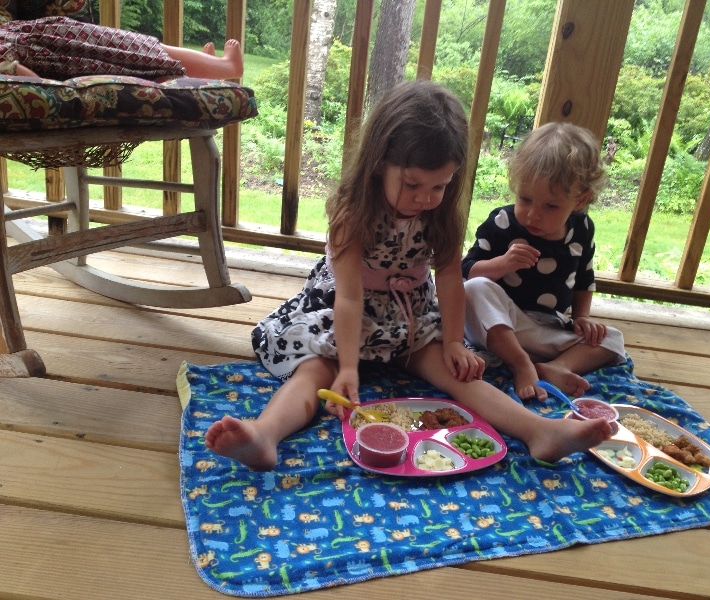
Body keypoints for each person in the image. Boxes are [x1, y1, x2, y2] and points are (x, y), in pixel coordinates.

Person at [204, 81, 612, 471]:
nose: (425, 198)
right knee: (318, 371)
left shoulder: (439, 213)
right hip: (345, 316)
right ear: (380, 163)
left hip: (409, 318)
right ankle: (265, 434)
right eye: (413, 183)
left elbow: (450, 278)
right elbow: (349, 298)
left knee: (455, 372)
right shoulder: (352, 215)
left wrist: (453, 342)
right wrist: (348, 367)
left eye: (440, 186)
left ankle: (539, 431)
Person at [461, 121, 626, 402]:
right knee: (474, 288)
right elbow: (467, 271)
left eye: (550, 206)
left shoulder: (582, 228)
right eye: (525, 199)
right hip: (499, 326)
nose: (533, 215)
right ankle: (520, 363)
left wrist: (582, 318)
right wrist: (502, 264)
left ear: (580, 200)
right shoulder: (502, 222)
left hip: (548, 330)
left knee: (612, 338)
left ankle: (556, 367)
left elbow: (584, 278)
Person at [0, 16, 243, 80]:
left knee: (142, 47)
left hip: (61, 40)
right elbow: (30, 81)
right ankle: (225, 67)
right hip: (67, 51)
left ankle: (203, 65)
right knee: (143, 51)